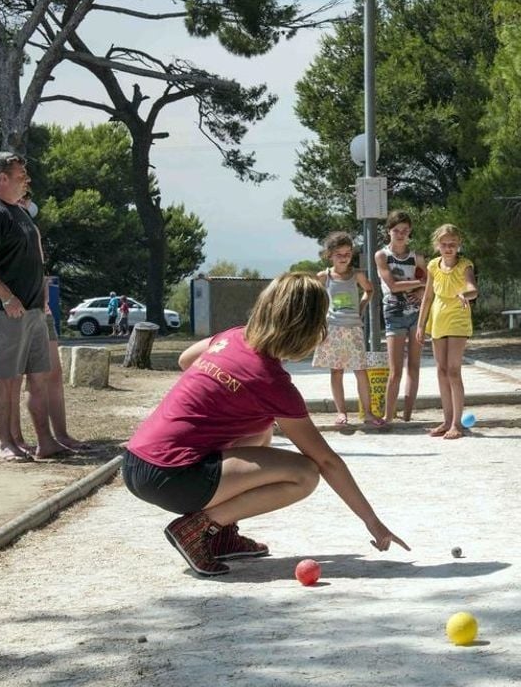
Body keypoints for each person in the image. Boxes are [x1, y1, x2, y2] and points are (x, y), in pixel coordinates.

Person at [122, 272, 409, 577]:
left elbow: (185, 359)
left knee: (260, 429)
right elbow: (324, 460)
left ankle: (219, 538)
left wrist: (224, 398)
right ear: (308, 327)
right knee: (304, 474)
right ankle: (197, 528)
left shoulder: (232, 336)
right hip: (172, 477)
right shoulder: (271, 382)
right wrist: (372, 522)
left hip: (137, 464)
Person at [0, 193, 86, 454]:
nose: (25, 199)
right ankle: (13, 440)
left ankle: (53, 437)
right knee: (9, 379)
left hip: (37, 307)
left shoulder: (27, 225)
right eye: (22, 194)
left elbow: (38, 266)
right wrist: (1, 289)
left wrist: (43, 293)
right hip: (10, 307)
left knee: (46, 374)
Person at [312, 232, 384, 427]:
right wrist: (321, 318)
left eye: (347, 253)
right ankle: (341, 412)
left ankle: (368, 413)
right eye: (339, 254)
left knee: (361, 371)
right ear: (330, 255)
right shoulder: (324, 276)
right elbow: (314, 299)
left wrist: (361, 307)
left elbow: (369, 290)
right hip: (333, 328)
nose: (344, 258)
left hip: (353, 328)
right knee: (336, 371)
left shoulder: (357, 275)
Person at [415, 224, 478, 440]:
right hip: (438, 319)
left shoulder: (465, 265)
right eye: (444, 244)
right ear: (437, 246)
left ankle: (457, 424)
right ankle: (447, 418)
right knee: (441, 370)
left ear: (459, 244)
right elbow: (427, 297)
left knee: (453, 370)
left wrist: (465, 295)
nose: (448, 248)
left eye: (452, 244)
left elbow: (472, 288)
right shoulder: (433, 265)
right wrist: (421, 324)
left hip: (458, 319)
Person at [374, 210, 427, 422]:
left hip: (416, 314)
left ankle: (407, 414)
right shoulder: (382, 255)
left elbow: (430, 283)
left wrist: (422, 290)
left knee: (414, 367)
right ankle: (388, 415)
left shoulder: (417, 257)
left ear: (410, 232)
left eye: (405, 230)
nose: (401, 234)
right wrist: (420, 284)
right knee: (395, 370)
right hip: (394, 314)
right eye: (397, 230)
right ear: (389, 231)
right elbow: (393, 285)